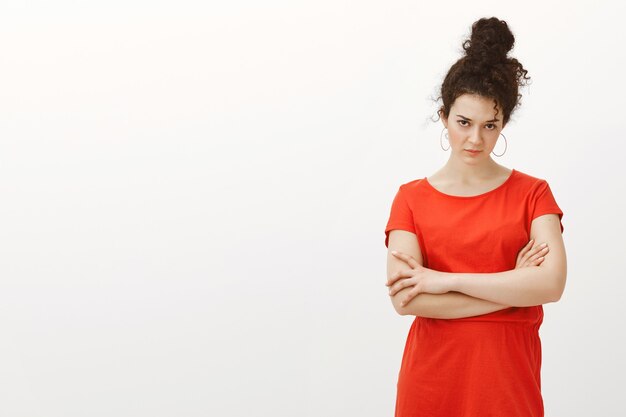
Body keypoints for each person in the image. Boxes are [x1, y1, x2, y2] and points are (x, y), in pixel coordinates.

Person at [383, 17, 567, 417]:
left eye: (490, 126)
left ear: (503, 125)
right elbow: (405, 299)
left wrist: (445, 281)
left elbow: (550, 285)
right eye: (464, 122)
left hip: (506, 383)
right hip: (432, 381)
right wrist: (511, 292)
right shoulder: (410, 199)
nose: (475, 139)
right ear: (444, 115)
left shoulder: (533, 193)